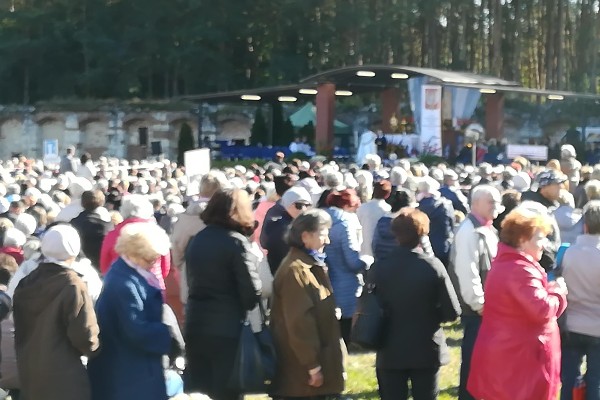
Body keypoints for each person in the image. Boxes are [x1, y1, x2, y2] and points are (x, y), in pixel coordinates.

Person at [467, 208, 568, 400]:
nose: (544, 245)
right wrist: (558, 291)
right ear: (522, 240)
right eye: (539, 238)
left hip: (512, 357)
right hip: (519, 364)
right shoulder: (519, 269)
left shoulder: (510, 263)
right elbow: (542, 309)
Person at [374, 208, 461, 400]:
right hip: (425, 347)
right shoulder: (432, 266)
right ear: (422, 234)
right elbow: (452, 311)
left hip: (389, 347)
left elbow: (370, 305)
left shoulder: (379, 267)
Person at [184, 189, 261, 400]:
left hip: (195, 322)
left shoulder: (197, 239)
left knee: (201, 390)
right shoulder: (235, 241)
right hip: (226, 328)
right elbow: (251, 291)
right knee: (227, 391)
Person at [87, 222, 174, 400]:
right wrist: (166, 333)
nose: (153, 263)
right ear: (134, 254)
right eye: (150, 259)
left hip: (131, 366)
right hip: (128, 370)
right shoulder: (124, 283)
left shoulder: (125, 273)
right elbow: (136, 330)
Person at [13, 225, 99, 400]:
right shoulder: (73, 285)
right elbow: (85, 336)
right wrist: (96, 349)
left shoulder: (27, 280)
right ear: (74, 250)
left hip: (30, 369)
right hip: (65, 375)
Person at [270, 209, 345, 400]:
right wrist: (313, 367)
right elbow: (299, 323)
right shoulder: (296, 270)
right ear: (305, 236)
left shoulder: (309, 265)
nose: (327, 241)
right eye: (323, 234)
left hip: (310, 376)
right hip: (302, 379)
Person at [447, 185, 501, 400]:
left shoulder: (486, 229)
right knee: (473, 364)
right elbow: (466, 272)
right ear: (476, 204)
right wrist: (479, 304)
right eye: (491, 202)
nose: (496, 206)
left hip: (486, 308)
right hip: (477, 310)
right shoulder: (469, 231)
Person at [171, 171, 229, 307]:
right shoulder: (227, 214)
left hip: (192, 279)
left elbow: (177, 248)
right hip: (223, 281)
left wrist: (184, 266)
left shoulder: (185, 217)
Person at [560, 200, 600, 400]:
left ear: (584, 225)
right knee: (596, 381)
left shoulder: (566, 253)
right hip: (597, 327)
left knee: (568, 379)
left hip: (571, 324)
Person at [324, 189, 371, 345]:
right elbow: (352, 261)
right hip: (346, 282)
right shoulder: (345, 224)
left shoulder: (321, 219)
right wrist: (366, 261)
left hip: (326, 279)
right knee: (345, 324)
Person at [100, 194, 171, 290]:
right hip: (154, 286)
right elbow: (165, 267)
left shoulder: (113, 235)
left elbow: (104, 266)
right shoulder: (158, 233)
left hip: (120, 287)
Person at [261, 186, 313, 276]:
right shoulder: (280, 225)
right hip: (284, 273)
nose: (304, 209)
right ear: (288, 204)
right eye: (299, 205)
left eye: (308, 205)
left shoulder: (288, 218)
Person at [521, 169, 565, 271]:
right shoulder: (533, 209)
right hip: (538, 267)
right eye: (556, 184)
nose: (560, 187)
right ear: (544, 186)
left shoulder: (549, 206)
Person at [417, 178, 454, 266]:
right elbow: (451, 224)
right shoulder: (446, 204)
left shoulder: (417, 209)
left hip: (424, 248)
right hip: (444, 247)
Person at [71, 190, 112, 270]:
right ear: (102, 202)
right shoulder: (106, 226)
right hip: (100, 266)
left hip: (79, 266)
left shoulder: (73, 223)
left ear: (82, 202)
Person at [356, 180, 391, 257]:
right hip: (380, 248)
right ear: (388, 194)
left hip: (364, 249)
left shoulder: (363, 207)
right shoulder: (388, 210)